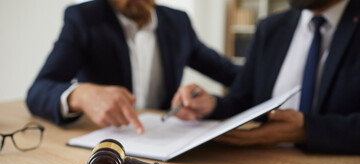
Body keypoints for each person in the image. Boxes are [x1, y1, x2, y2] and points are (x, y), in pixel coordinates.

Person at [171, 0, 360, 154]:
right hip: (264, 163)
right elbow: (243, 100)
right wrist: (212, 105)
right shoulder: (270, 28)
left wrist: (307, 130)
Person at [26, 0, 240, 134]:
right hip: (104, 149)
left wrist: (211, 103)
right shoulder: (83, 19)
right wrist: (79, 95)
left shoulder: (178, 22)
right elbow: (38, 90)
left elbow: (237, 76)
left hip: (167, 145)